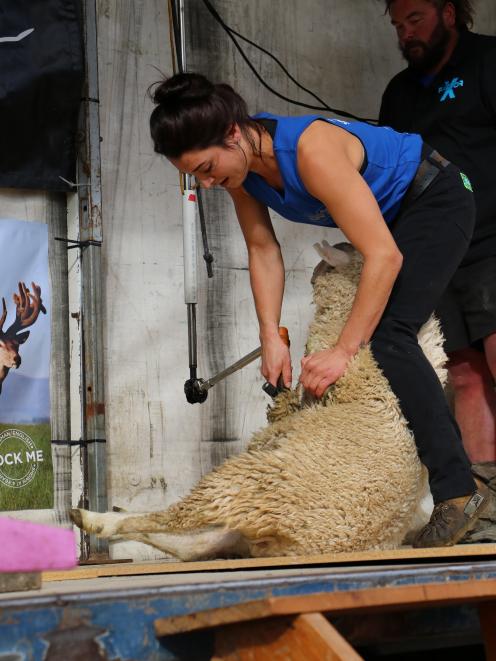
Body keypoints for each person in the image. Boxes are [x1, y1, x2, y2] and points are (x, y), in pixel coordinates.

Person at [149, 71, 488, 547]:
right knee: (364, 340)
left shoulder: (311, 152)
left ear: (232, 133)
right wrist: (271, 334)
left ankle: (457, 492)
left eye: (206, 168)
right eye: (195, 176)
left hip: (437, 197)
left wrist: (344, 350)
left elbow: (384, 257)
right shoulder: (241, 171)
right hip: (393, 219)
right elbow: (263, 249)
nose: (206, 183)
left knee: (389, 337)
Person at [379, 0, 496, 472]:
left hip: (493, 240)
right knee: (464, 374)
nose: (406, 34)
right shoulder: (399, 93)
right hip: (436, 250)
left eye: (415, 20)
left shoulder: (489, 61)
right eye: (398, 26)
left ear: (449, 14)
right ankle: (486, 504)